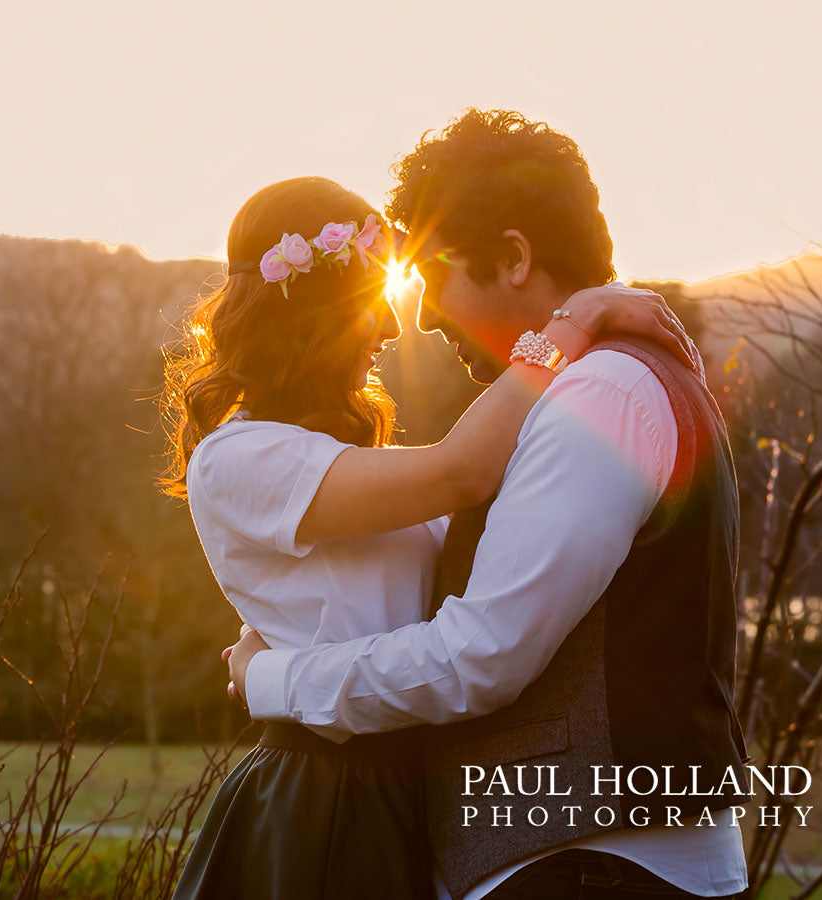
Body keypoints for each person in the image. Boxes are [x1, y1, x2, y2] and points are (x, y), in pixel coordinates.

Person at [226, 111, 751, 899]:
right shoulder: (592, 386)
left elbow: (480, 655)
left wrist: (271, 680)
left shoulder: (599, 395)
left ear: (512, 257)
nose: (425, 316)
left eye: (435, 280)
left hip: (596, 873)